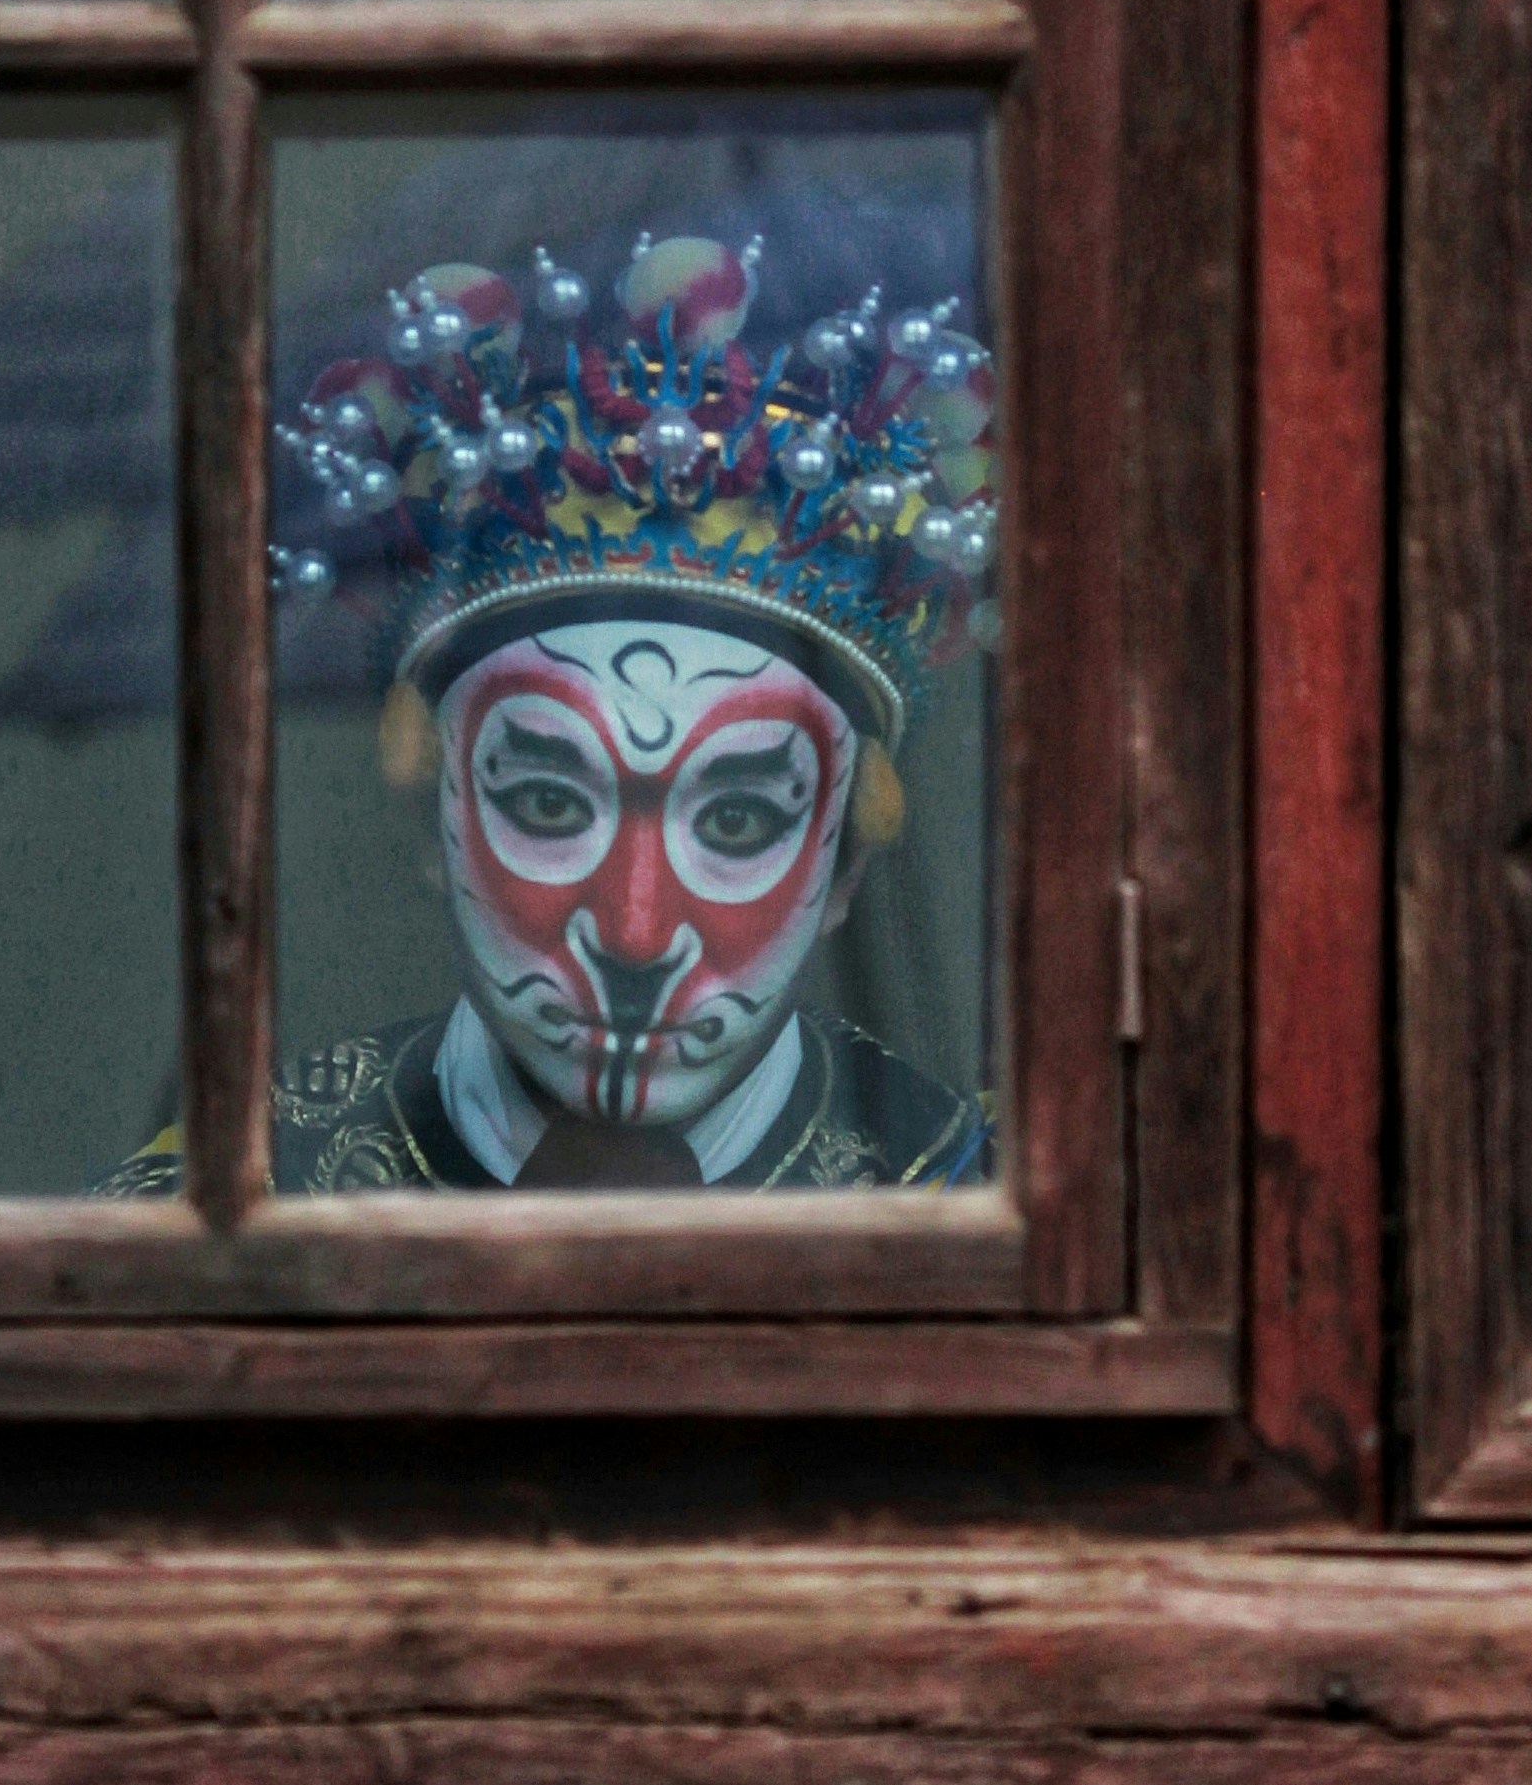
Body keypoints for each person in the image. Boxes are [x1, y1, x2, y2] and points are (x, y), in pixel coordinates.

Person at [110, 227, 997, 1193]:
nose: (635, 933)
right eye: (547, 804)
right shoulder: (242, 1189)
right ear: (430, 815)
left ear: (848, 862)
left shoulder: (966, 1192)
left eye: (738, 819)